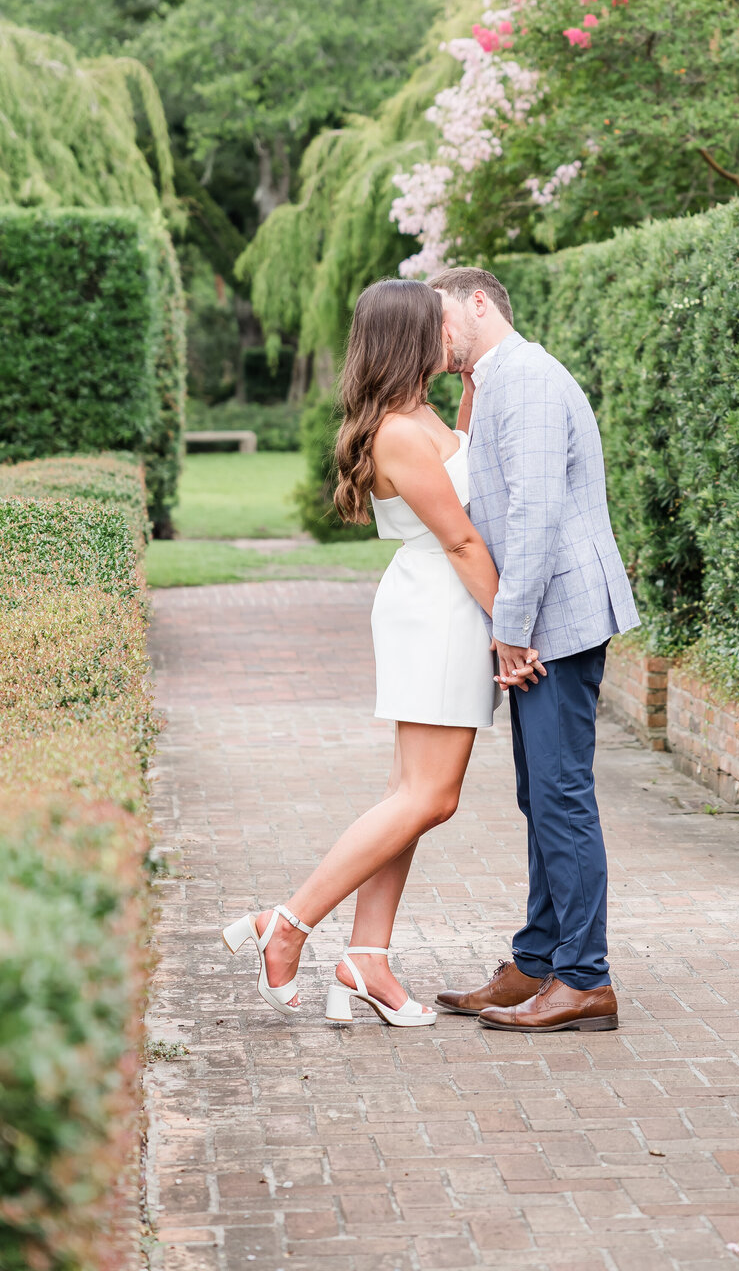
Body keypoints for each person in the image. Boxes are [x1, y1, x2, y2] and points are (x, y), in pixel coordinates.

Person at [220, 278, 540, 1027]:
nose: (451, 332)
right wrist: (513, 632)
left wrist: (470, 384)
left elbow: (468, 467)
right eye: (438, 325)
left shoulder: (419, 412)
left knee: (411, 799)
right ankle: (289, 923)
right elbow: (460, 537)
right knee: (431, 797)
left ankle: (367, 959)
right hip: (438, 609)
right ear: (408, 338)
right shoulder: (397, 430)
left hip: (442, 604)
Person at [429, 267, 639, 1034]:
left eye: (441, 317)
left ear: (478, 302)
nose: (434, 335)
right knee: (540, 794)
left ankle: (584, 979)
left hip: (557, 620)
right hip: (542, 617)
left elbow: (538, 515)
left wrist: (509, 627)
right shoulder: (495, 382)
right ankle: (539, 960)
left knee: (560, 795)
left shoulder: (527, 380)